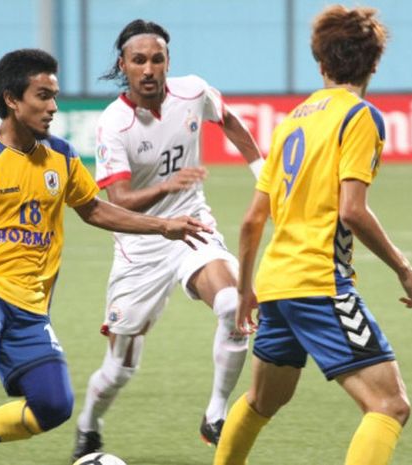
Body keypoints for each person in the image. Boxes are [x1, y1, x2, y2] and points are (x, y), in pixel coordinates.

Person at [0, 48, 211, 465]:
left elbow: (95, 209)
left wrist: (164, 225)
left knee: (54, 406)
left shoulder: (61, 156)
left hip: (32, 304)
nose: (53, 107)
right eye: (43, 96)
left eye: (54, 96)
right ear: (13, 100)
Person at [214, 5, 412, 465]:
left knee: (262, 401)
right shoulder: (359, 117)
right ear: (374, 62)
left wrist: (245, 292)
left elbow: (253, 219)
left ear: (320, 62)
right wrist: (405, 269)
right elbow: (352, 211)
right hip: (319, 284)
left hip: (276, 285)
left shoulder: (292, 120)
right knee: (389, 406)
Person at [71, 19, 265, 459]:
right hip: (140, 246)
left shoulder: (193, 92)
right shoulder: (113, 124)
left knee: (236, 306)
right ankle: (89, 424)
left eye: (157, 59)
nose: (149, 68)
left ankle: (216, 414)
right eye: (138, 60)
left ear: (167, 62)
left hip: (193, 229)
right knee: (120, 368)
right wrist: (166, 187)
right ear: (123, 65)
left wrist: (261, 172)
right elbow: (119, 201)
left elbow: (230, 119)